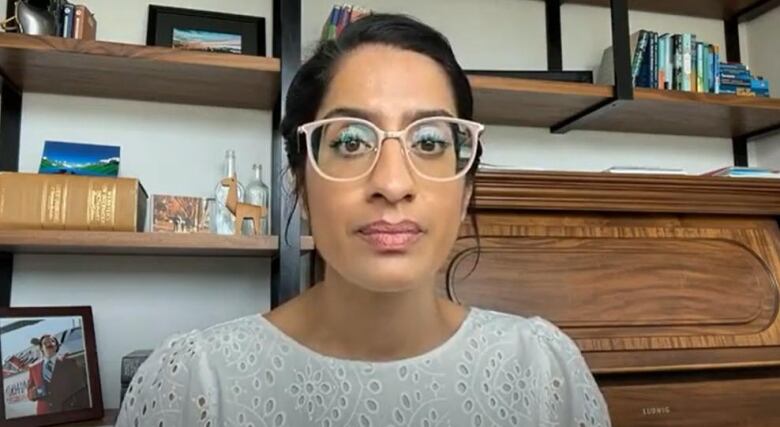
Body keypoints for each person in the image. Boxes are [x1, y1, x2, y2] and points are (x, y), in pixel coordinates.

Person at [117, 13, 611, 427]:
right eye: (351, 142)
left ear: (466, 190)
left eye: (430, 142)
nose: (393, 184)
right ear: (301, 183)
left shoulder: (546, 372)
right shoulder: (193, 386)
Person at [26, 334, 90, 415]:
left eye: (52, 341)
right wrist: (32, 395)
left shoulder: (69, 362)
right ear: (41, 348)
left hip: (66, 411)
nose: (49, 344)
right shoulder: (33, 368)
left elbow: (80, 387)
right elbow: (29, 392)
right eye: (45, 342)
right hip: (44, 414)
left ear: (56, 346)